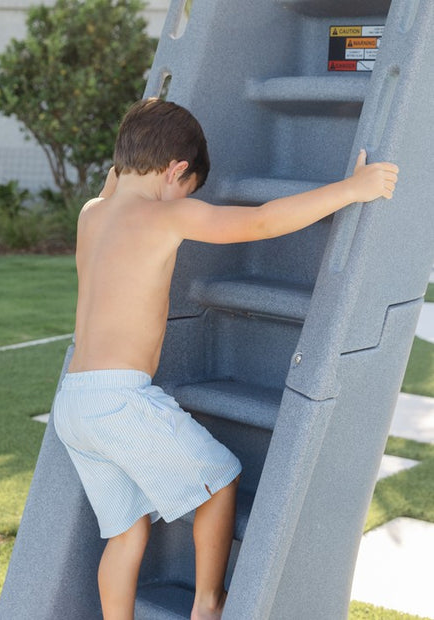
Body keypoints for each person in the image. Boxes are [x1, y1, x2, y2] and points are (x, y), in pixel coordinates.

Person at [52, 98, 399, 620]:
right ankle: (208, 604)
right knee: (220, 480)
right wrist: (353, 189)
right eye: (190, 187)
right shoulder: (167, 213)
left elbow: (112, 183)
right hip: (117, 400)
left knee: (126, 532)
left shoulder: (93, 214)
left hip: (73, 403)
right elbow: (260, 222)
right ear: (176, 171)